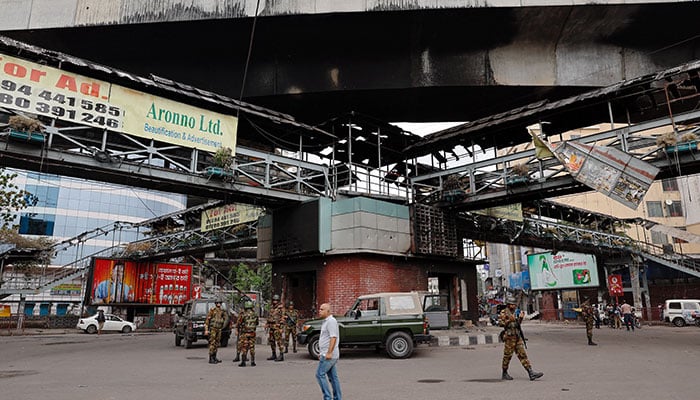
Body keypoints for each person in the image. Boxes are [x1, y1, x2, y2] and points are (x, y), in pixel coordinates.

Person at [499, 294, 543, 381]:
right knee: (507, 356)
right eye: (512, 304)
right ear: (509, 304)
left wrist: (520, 319)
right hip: (509, 337)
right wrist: (509, 320)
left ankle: (531, 372)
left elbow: (517, 324)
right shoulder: (504, 312)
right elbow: (501, 323)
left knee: (522, 355)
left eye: (515, 304)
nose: (514, 306)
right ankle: (504, 372)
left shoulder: (516, 312)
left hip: (517, 336)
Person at [316, 303, 341, 400]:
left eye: (322, 309)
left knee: (319, 374)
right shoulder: (326, 321)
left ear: (328, 311)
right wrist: (321, 352)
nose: (320, 311)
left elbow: (333, 337)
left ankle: (327, 397)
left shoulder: (331, 321)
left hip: (329, 355)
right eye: (320, 309)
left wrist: (329, 353)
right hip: (326, 354)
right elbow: (325, 339)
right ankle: (337, 397)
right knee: (333, 378)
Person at [236, 301, 259, 367]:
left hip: (245, 333)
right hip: (252, 333)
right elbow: (257, 323)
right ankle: (253, 362)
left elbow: (239, 323)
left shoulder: (243, 314)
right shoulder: (255, 314)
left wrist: (238, 329)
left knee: (244, 347)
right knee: (252, 347)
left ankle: (243, 362)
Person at [266, 294, 285, 361]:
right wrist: (267, 324)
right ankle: (274, 354)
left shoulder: (281, 308)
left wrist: (281, 328)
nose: (275, 301)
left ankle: (281, 355)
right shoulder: (271, 307)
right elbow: (269, 316)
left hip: (277, 327)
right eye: (274, 300)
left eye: (276, 300)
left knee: (279, 341)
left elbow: (283, 318)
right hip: (271, 327)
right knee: (271, 341)